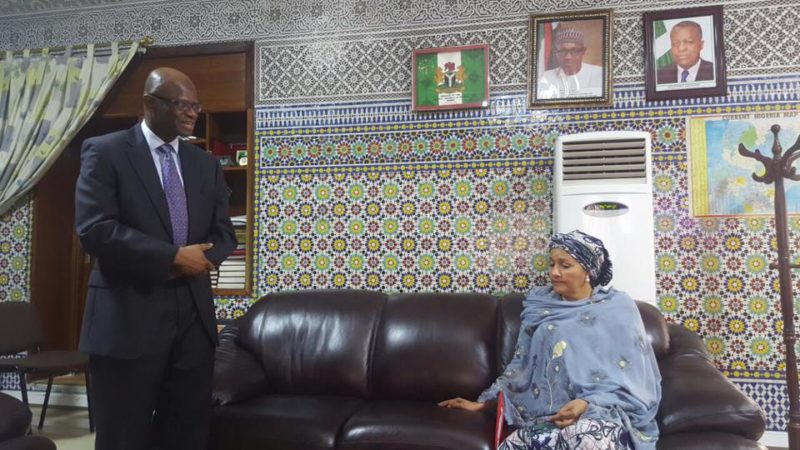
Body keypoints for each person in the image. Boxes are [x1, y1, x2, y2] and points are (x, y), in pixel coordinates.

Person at [74, 67, 236, 450]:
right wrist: (172, 257)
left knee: (186, 429)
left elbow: (224, 234)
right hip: (127, 314)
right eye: (182, 104)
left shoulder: (205, 164)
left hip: (193, 318)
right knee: (123, 432)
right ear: (150, 104)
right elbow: (94, 229)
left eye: (196, 106)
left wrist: (203, 259)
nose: (192, 113)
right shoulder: (106, 151)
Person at [439, 230, 661, 450]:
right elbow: (521, 369)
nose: (554, 272)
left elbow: (635, 379)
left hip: (605, 414)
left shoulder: (619, 307)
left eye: (565, 266)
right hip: (550, 415)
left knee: (588, 439)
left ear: (588, 271)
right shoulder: (540, 307)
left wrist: (587, 404)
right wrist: (485, 405)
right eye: (552, 264)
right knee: (515, 444)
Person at [537, 28, 603, 99]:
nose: (568, 57)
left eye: (574, 51)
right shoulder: (546, 77)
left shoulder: (599, 74)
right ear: (556, 53)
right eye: (562, 51)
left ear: (583, 52)